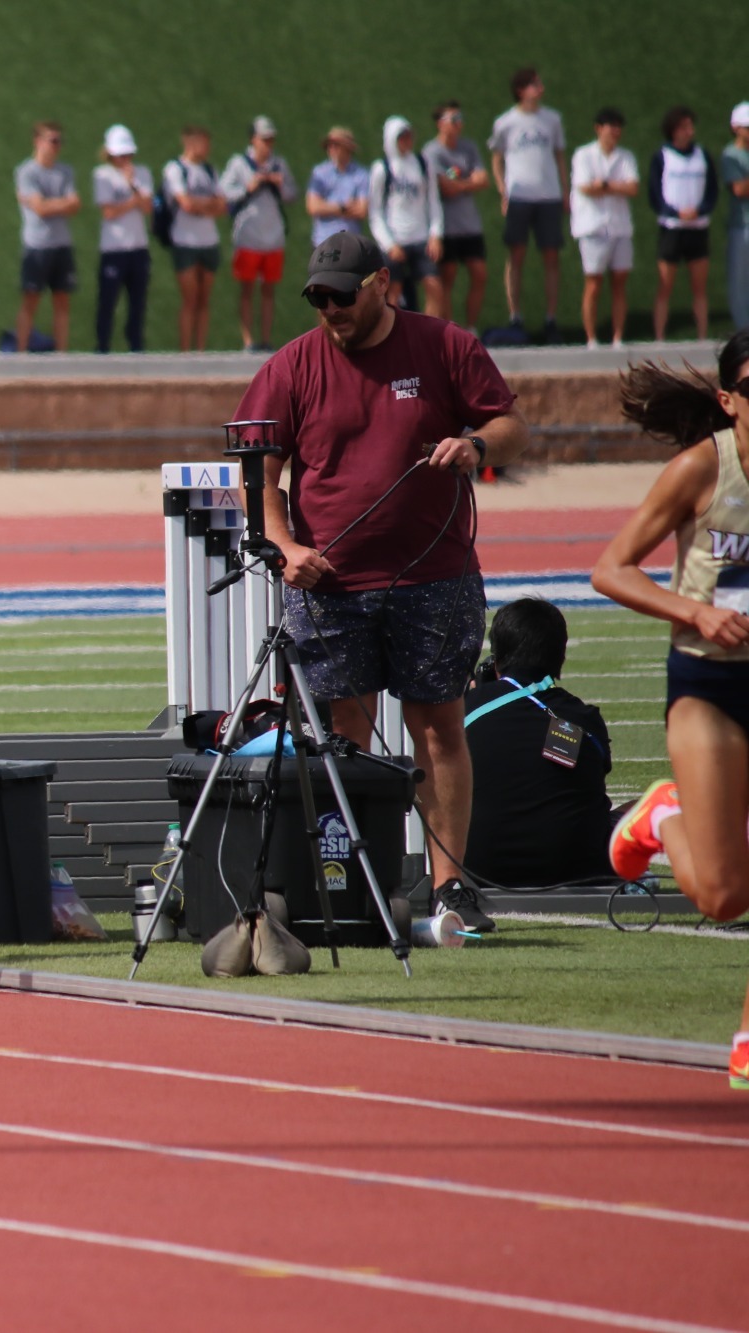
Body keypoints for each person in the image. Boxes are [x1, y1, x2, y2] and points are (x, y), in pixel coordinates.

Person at [237, 231, 527, 934]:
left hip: (436, 573)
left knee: (438, 727)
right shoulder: (291, 365)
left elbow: (510, 422)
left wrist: (477, 445)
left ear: (380, 284)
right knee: (344, 735)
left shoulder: (444, 345)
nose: (330, 309)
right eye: (318, 298)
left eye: (342, 295)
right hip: (332, 582)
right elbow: (259, 473)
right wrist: (283, 545)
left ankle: (449, 884)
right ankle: (355, 883)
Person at [591, 330, 749, 1092]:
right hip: (710, 686)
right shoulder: (702, 469)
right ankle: (660, 816)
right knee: (723, 895)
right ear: (729, 399)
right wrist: (694, 613)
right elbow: (610, 568)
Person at [461, 598, 617, 888]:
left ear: (496, 657)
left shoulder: (466, 710)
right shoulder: (584, 718)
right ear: (561, 656)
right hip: (580, 871)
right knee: (645, 806)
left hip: (480, 872)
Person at [489, 69, 567, 342]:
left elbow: (559, 156)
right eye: (536, 84)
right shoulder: (505, 123)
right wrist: (503, 191)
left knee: (551, 257)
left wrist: (565, 192)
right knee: (516, 256)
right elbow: (496, 158)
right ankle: (515, 316)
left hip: (549, 196)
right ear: (522, 89)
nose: (541, 88)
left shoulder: (552, 119)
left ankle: (550, 319)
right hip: (519, 197)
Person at [219, 116, 297, 352]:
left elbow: (292, 194)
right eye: (264, 139)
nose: (268, 144)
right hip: (248, 237)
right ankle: (248, 340)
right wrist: (248, 187)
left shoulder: (279, 164)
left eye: (271, 139)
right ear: (253, 139)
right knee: (247, 288)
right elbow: (223, 192)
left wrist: (279, 183)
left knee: (268, 290)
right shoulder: (238, 163)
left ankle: (265, 339)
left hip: (273, 237)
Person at [648, 106, 719, 343]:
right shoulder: (662, 156)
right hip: (671, 229)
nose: (690, 131)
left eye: (691, 126)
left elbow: (712, 191)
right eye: (685, 127)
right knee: (665, 286)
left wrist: (699, 211)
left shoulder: (702, 155)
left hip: (698, 229)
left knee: (699, 287)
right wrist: (676, 212)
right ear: (674, 130)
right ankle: (659, 337)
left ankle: (701, 336)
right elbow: (655, 195)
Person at [572, 107, 640, 349]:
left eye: (618, 127)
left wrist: (605, 185)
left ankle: (618, 338)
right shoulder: (583, 155)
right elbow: (586, 188)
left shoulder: (627, 156)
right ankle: (591, 338)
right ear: (598, 128)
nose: (615, 132)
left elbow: (633, 188)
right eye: (611, 126)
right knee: (594, 282)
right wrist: (614, 186)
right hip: (593, 228)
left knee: (620, 281)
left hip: (620, 227)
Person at [423, 102, 491, 330]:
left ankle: (470, 328)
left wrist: (460, 184)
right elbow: (445, 188)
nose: (458, 123)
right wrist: (469, 182)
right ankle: (448, 329)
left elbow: (484, 179)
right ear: (440, 124)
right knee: (447, 277)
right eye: (453, 119)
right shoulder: (431, 152)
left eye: (460, 118)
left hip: (471, 226)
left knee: (480, 273)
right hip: (447, 227)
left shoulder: (469, 147)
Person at [14, 120, 81, 353]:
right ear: (38, 141)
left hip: (62, 244)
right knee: (30, 301)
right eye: (53, 140)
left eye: (59, 141)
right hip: (37, 245)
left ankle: (61, 356)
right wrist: (59, 204)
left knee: (62, 301)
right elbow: (40, 209)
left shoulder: (66, 171)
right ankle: (20, 355)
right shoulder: (26, 172)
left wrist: (46, 204)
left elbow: (75, 204)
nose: (57, 145)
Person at [368, 116, 444, 313]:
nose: (407, 141)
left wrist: (436, 234)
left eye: (409, 136)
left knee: (434, 286)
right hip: (395, 240)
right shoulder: (382, 169)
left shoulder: (422, 163)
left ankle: (430, 336)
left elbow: (433, 201)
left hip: (421, 238)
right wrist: (389, 244)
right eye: (401, 137)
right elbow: (375, 212)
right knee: (393, 292)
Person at [91, 124, 153, 354]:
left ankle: (136, 347)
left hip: (138, 248)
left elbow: (148, 207)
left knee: (137, 303)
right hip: (113, 249)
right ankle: (102, 348)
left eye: (127, 154)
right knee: (107, 302)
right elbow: (108, 212)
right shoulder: (102, 175)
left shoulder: (142, 173)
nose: (124, 158)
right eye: (120, 154)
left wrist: (132, 185)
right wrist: (133, 201)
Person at [164, 125, 226, 352]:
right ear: (190, 143)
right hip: (185, 241)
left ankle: (201, 350)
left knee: (204, 300)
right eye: (203, 142)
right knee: (189, 300)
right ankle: (185, 352)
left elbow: (222, 205)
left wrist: (202, 206)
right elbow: (185, 203)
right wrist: (207, 205)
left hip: (209, 241)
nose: (207, 148)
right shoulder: (175, 168)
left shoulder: (210, 170)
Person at [306, 126, 369, 246]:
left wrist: (326, 206)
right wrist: (342, 207)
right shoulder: (319, 173)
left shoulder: (362, 174)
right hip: (323, 243)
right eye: (329, 145)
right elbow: (313, 207)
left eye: (336, 145)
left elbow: (362, 210)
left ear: (348, 148)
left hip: (351, 244)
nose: (331, 148)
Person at [727, 103, 749, 334]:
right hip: (741, 226)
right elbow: (740, 189)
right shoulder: (731, 155)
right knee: (740, 283)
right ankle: (744, 333)